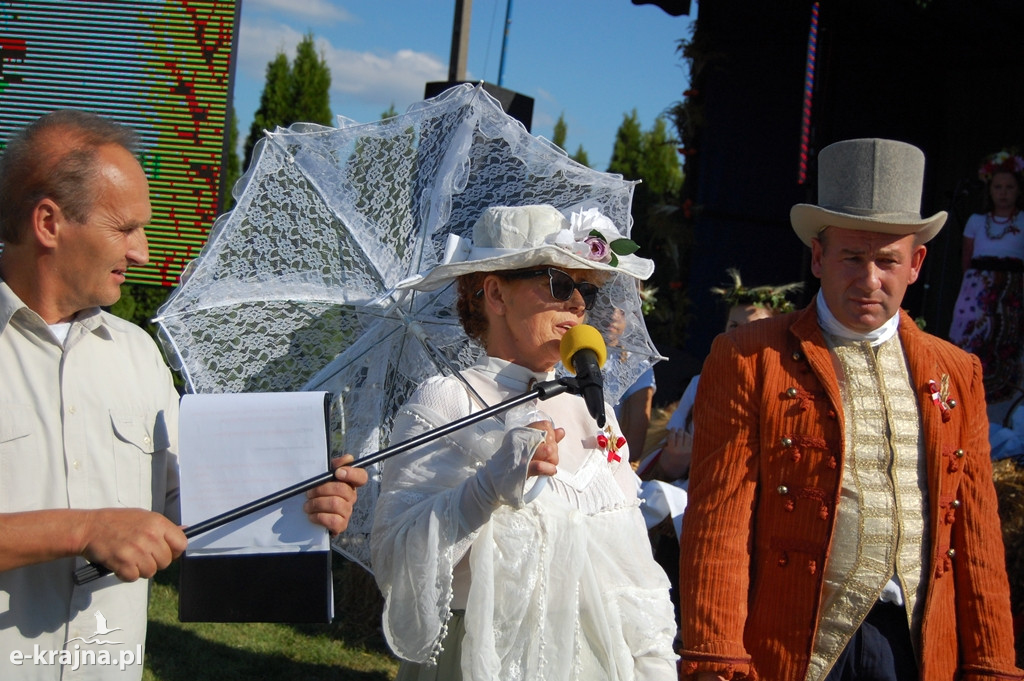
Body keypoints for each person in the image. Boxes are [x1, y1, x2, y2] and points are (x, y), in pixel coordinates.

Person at [0, 109, 367, 679]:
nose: (142, 252)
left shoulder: (137, 354)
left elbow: (188, 507)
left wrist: (302, 500)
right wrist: (84, 530)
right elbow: (103, 527)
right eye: (124, 229)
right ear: (49, 223)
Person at [677, 138, 1023, 681]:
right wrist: (717, 658)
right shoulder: (749, 355)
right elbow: (718, 522)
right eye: (852, 257)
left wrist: (992, 664)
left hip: (914, 648)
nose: (869, 280)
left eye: (887, 261)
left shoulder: (958, 372)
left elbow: (976, 533)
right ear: (818, 256)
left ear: (917, 264)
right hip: (792, 647)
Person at [370, 204, 678, 680]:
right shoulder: (448, 401)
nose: (578, 304)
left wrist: (657, 668)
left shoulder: (596, 412)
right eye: (559, 284)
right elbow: (396, 563)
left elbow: (634, 570)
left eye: (587, 291)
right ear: (495, 293)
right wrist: (486, 489)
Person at [639, 268, 802, 482]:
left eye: (755, 328)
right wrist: (675, 461)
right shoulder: (701, 383)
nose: (739, 335)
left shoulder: (787, 390)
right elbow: (672, 456)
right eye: (733, 326)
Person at [949, 150, 1024, 410]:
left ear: (1018, 190)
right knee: (970, 340)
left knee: (1005, 345)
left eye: (1009, 187)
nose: (1003, 192)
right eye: (998, 187)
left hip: (1012, 289)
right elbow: (967, 260)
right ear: (990, 189)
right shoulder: (976, 221)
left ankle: (1000, 407)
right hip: (978, 289)